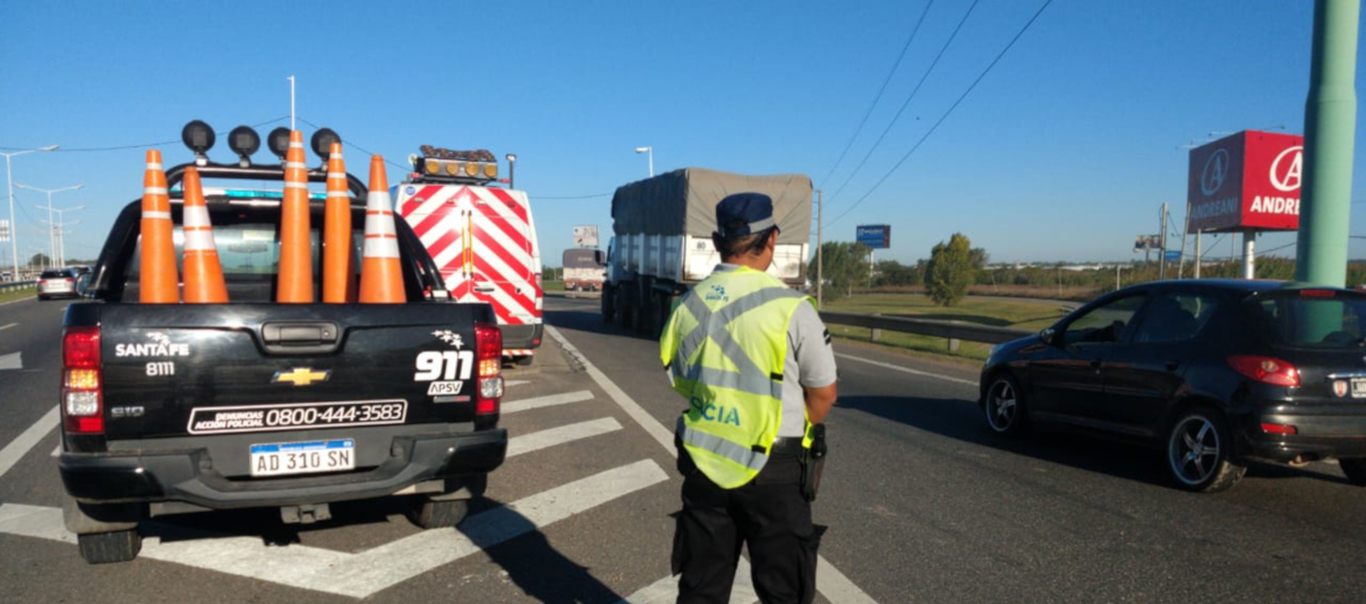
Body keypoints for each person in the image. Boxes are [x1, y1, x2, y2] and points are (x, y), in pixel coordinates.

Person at [660, 192, 839, 604]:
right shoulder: (793, 309)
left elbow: (680, 379)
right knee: (783, 593)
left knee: (700, 590)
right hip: (775, 471)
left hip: (704, 464)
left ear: (715, 239)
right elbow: (823, 394)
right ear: (772, 238)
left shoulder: (686, 305)